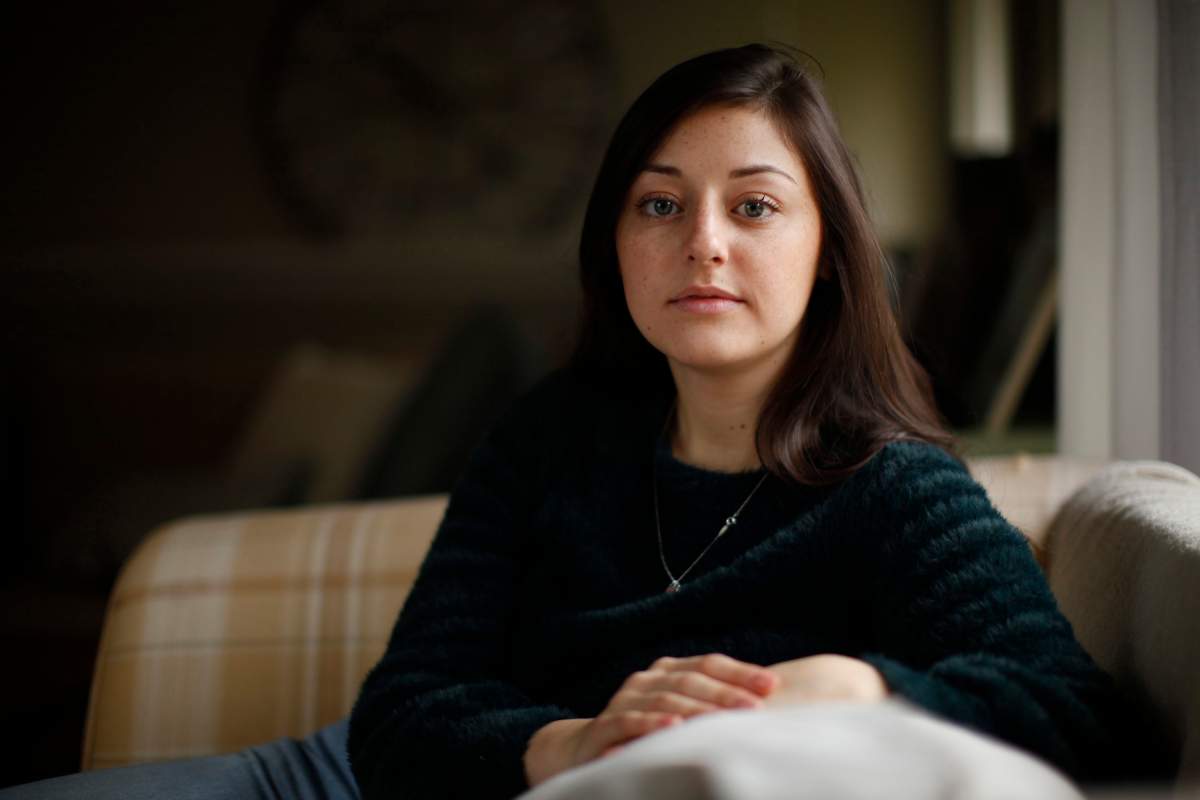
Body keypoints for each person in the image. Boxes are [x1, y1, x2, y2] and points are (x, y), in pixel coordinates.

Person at [0, 42, 1166, 800]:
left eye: (755, 206)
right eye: (660, 203)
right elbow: (401, 713)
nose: (702, 239)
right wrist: (561, 739)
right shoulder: (552, 432)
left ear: (826, 257)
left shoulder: (894, 485)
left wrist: (862, 685)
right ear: (616, 246)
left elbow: (1088, 718)